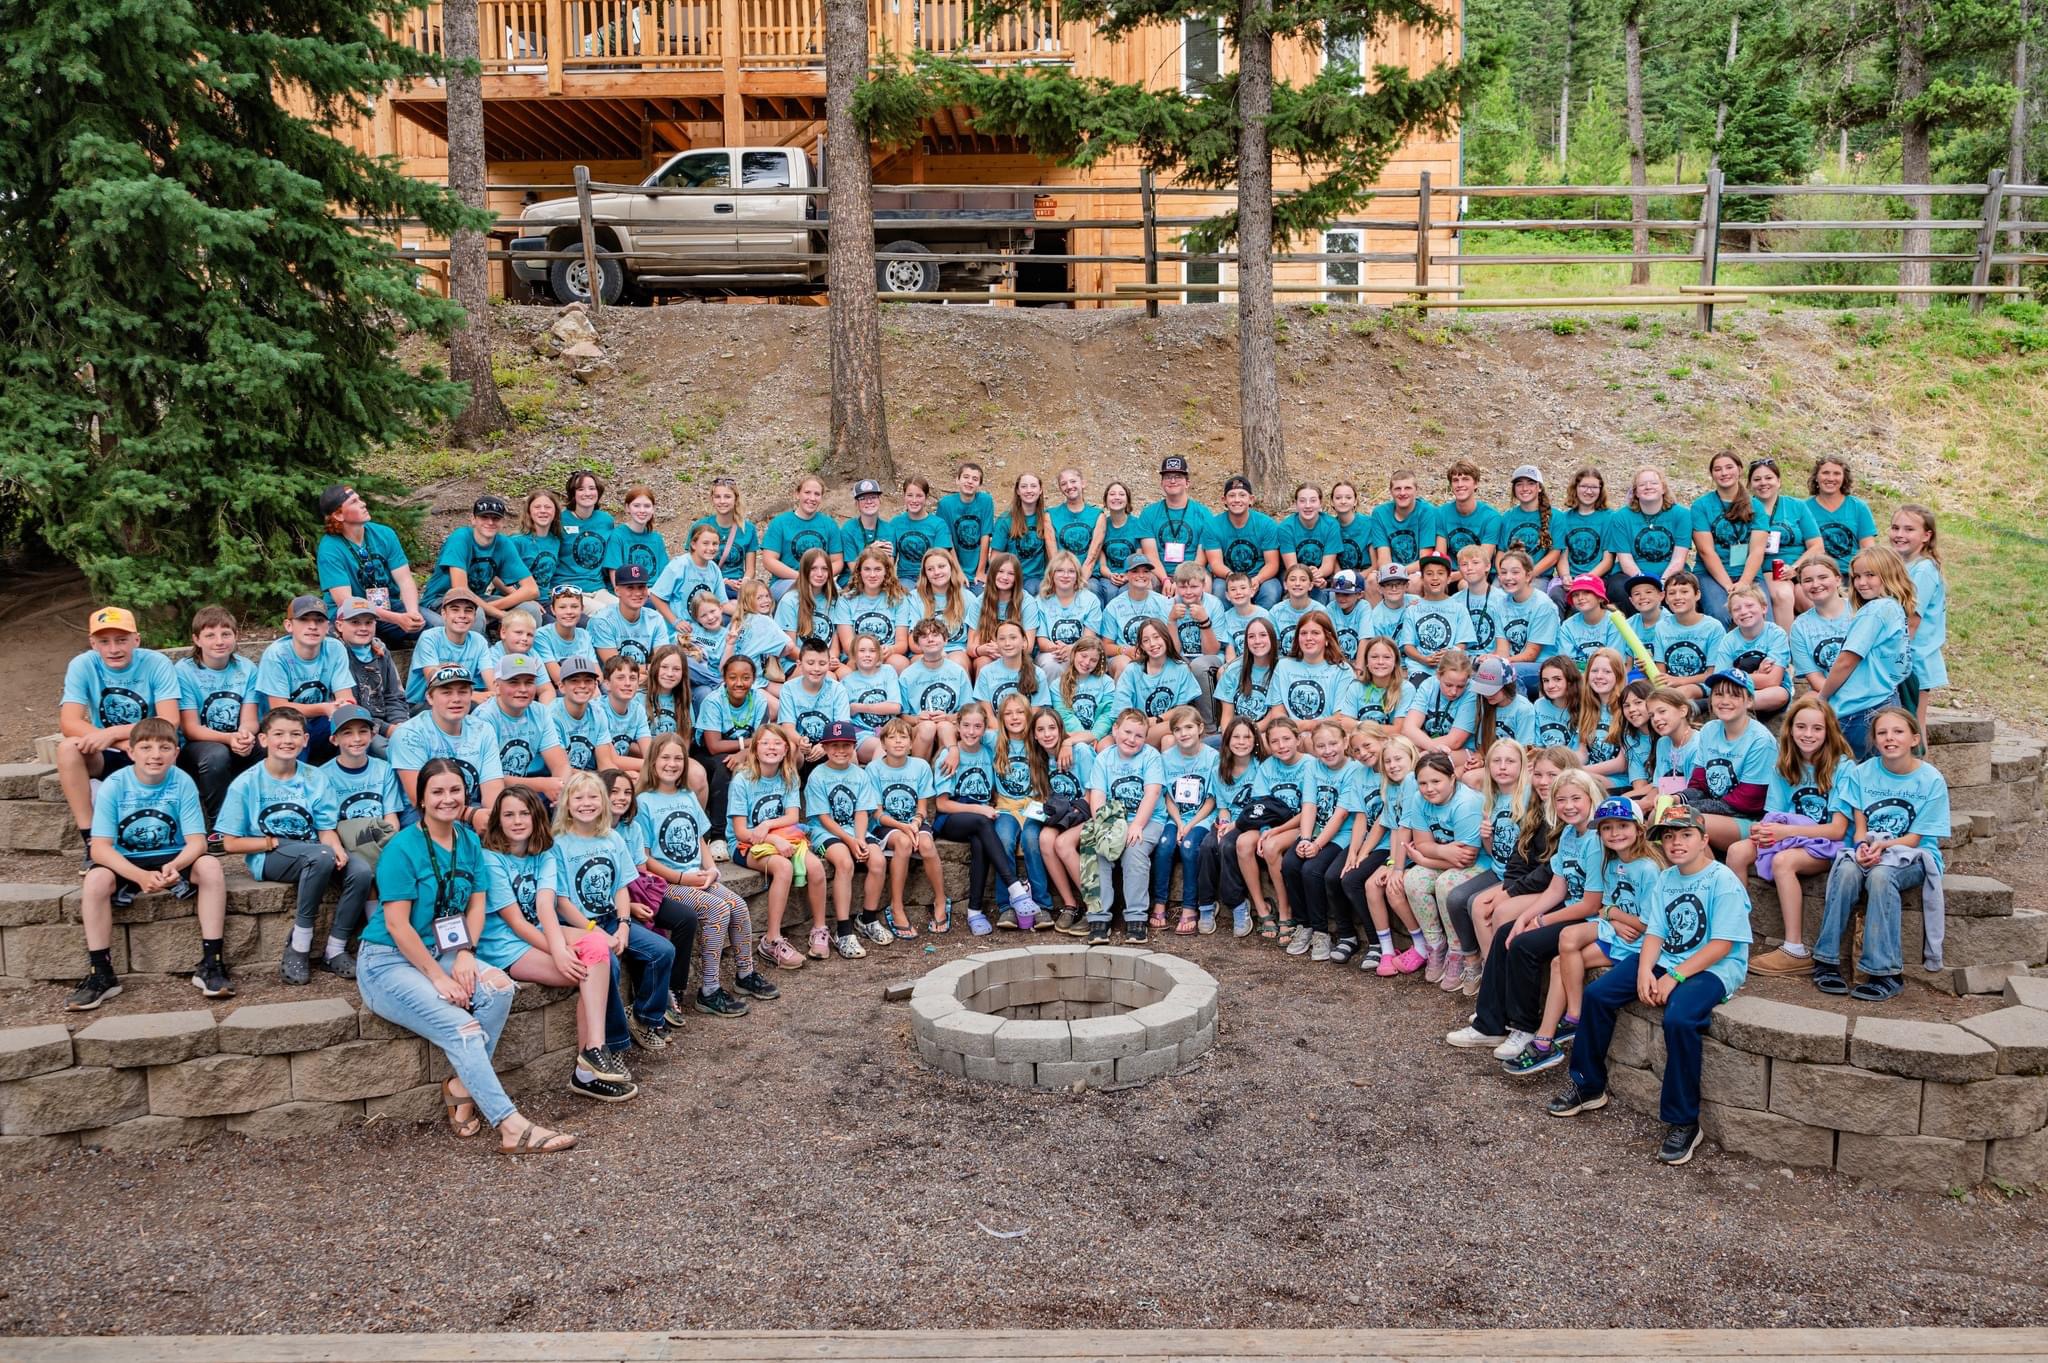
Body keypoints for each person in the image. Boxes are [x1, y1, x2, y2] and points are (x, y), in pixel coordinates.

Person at [358, 758, 577, 1153]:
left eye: (455, 790)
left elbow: (475, 906)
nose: (447, 799)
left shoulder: (469, 840)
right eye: (437, 792)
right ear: (421, 798)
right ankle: (511, 1125)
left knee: (499, 988)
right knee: (463, 1028)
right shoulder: (402, 848)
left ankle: (461, 1085)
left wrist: (465, 954)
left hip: (444, 949)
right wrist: (439, 977)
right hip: (388, 960)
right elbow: (397, 926)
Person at [1548, 803, 1752, 1168]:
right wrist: (1644, 971)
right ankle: (1588, 1085)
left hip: (1714, 967)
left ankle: (1683, 1120)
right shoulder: (1668, 878)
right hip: (1666, 957)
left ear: (1704, 839)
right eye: (1669, 836)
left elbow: (1722, 944)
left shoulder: (1722, 881)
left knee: (1679, 1018)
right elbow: (1655, 931)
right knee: (1597, 995)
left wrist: (1673, 978)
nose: (1676, 843)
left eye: (1686, 834)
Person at [476, 786, 637, 1103]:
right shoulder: (491, 859)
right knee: (586, 971)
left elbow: (545, 907)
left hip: (540, 929)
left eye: (524, 814)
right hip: (505, 946)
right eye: (509, 814)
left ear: (537, 818)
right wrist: (558, 952)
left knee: (595, 946)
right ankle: (588, 1070)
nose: (518, 821)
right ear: (498, 820)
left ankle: (593, 1051)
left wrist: (561, 948)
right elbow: (517, 924)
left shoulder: (544, 854)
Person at [67, 716, 230, 1011]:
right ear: (130, 752)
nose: (155, 755)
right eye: (146, 747)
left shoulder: (182, 781)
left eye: (164, 747)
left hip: (172, 855)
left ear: (176, 753)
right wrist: (139, 876)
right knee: (95, 880)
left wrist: (174, 865)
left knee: (210, 867)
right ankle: (101, 973)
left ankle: (212, 964)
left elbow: (198, 842)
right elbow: (100, 849)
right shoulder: (114, 784)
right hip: (126, 859)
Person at [1500, 796, 1661, 1076]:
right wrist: (1612, 914)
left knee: (1567, 941)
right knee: (1559, 960)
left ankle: (1571, 1018)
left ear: (1639, 829)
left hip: (1635, 941)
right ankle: (1544, 1041)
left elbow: (1647, 924)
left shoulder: (1648, 869)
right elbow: (1603, 907)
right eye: (1607, 828)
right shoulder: (1610, 864)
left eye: (1623, 825)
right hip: (1616, 931)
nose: (1615, 833)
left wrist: (1614, 915)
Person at [218, 706, 375, 984]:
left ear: (305, 740)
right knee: (322, 856)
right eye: (278, 734)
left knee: (361, 870)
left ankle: (335, 949)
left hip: (317, 853)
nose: (287, 741)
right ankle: (300, 944)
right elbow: (229, 843)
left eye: (294, 735)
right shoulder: (246, 784)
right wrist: (272, 841)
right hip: (269, 857)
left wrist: (338, 849)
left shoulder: (315, 778)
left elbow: (325, 829)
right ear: (264, 740)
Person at [1811, 707, 1951, 1001]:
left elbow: (1915, 839)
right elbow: (1860, 829)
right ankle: (1825, 960)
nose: (1890, 738)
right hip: (1871, 847)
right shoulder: (1863, 773)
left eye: (1898, 732)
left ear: (1914, 739)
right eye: (1882, 733)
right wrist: (1863, 847)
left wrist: (1883, 848)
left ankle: (1885, 972)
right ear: (1874, 740)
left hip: (1912, 855)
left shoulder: (1931, 780)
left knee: (1881, 876)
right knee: (1848, 870)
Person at [636, 733, 777, 1016]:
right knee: (716, 910)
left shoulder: (688, 795)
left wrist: (711, 867)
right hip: (666, 882)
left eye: (678, 758)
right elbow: (645, 859)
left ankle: (744, 974)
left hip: (696, 874)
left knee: (737, 905)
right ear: (652, 763)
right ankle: (709, 990)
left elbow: (699, 839)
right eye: (665, 757)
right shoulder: (643, 803)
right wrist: (681, 879)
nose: (672, 764)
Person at [1726, 695, 1852, 975]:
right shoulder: (1784, 766)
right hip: (1790, 838)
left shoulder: (1843, 768)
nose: (1808, 734)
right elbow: (1774, 815)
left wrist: (1785, 831)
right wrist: (1764, 829)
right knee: (1737, 851)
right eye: (1801, 727)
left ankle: (1795, 949)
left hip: (1829, 845)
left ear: (1828, 731)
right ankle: (1734, 934)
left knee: (1784, 861)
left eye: (1817, 728)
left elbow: (1838, 830)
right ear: (1790, 729)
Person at [553, 769, 677, 1050]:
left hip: (611, 920)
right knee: (610, 965)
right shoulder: (557, 844)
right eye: (579, 797)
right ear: (568, 804)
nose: (587, 803)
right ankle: (614, 1043)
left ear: (603, 802)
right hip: (580, 927)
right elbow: (561, 901)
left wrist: (622, 924)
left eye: (593, 797)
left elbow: (621, 887)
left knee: (662, 951)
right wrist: (594, 931)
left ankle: (644, 1017)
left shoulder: (611, 838)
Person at [728, 724, 826, 967]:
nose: (771, 747)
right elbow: (741, 831)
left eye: (777, 743)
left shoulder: (789, 776)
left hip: (783, 836)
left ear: (786, 750)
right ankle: (771, 940)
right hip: (744, 844)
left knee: (815, 868)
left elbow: (793, 817)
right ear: (755, 749)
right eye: (765, 743)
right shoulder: (742, 780)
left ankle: (819, 929)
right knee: (783, 868)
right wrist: (771, 838)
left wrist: (768, 826)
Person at [1815, 545, 1917, 759]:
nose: (1861, 582)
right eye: (1856, 577)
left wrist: (1822, 697)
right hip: (1884, 701)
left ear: (1889, 574)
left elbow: (1846, 661)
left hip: (1858, 710)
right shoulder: (1894, 608)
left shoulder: (1875, 611)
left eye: (1870, 575)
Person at [804, 721, 890, 954]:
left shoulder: (860, 775)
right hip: (825, 832)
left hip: (855, 829)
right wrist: (850, 842)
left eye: (845, 745)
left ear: (854, 746)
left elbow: (862, 811)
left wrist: (860, 839)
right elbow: (823, 818)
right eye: (834, 746)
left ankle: (868, 919)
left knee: (878, 860)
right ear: (824, 747)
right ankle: (843, 930)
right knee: (844, 862)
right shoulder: (817, 776)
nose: (840, 750)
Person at [391, 664, 508, 829]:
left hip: (474, 808)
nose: (456, 699)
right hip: (422, 814)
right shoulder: (409, 734)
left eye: (463, 691)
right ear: (430, 698)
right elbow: (418, 797)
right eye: (446, 692)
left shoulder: (483, 729)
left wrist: (492, 819)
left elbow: (493, 790)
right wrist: (471, 815)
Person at [1085, 708, 1166, 945]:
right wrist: (1103, 826)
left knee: (1134, 849)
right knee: (1095, 847)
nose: (1132, 739)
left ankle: (1136, 918)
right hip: (1113, 819)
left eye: (1139, 736)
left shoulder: (1150, 757)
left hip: (1147, 820)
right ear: (1115, 730)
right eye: (1127, 732)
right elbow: (1097, 795)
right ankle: (1098, 917)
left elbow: (1152, 794)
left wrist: (1137, 825)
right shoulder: (1104, 758)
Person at [175, 606, 259, 824]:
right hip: (197, 746)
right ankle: (219, 824)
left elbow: (250, 719)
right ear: (196, 639)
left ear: (235, 636)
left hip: (235, 740)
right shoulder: (184, 671)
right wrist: (229, 739)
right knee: (216, 755)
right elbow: (191, 729)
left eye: (226, 634)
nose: (219, 641)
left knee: (268, 746)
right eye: (210, 635)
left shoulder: (247, 668)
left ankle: (263, 814)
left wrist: (245, 735)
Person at [316, 483, 427, 646]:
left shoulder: (385, 534)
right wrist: (397, 619)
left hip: (388, 608)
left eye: (359, 499)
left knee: (437, 628)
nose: (363, 504)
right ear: (339, 515)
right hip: (350, 617)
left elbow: (405, 580)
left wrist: (412, 613)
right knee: (352, 641)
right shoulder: (329, 548)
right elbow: (346, 602)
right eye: (354, 502)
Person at [866, 717, 949, 937]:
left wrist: (914, 823)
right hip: (886, 825)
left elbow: (922, 807)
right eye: (892, 737)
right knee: (903, 843)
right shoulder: (874, 769)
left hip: (915, 822)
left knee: (927, 844)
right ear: (883, 744)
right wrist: (902, 827)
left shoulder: (920, 766)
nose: (898, 742)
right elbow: (877, 813)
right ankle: (897, 906)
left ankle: (941, 900)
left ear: (912, 743)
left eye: (903, 737)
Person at [257, 594, 359, 761]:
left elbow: (345, 696)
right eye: (304, 619)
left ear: (327, 626)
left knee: (350, 730)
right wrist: (325, 708)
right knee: (294, 739)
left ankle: (343, 782)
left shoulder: (335, 648)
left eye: (319, 620)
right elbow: (278, 708)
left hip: (319, 721)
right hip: (280, 724)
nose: (312, 626)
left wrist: (343, 705)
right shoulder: (276, 655)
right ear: (289, 625)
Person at [422, 494, 537, 625]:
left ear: (502, 522)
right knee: (474, 613)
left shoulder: (503, 543)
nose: (490, 522)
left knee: (530, 609)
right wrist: (501, 614)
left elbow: (531, 589)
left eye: (496, 518)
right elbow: (461, 591)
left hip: (479, 599)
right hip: (441, 600)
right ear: (473, 519)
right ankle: (481, 644)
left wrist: (492, 606)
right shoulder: (460, 538)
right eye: (484, 517)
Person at [1154, 705, 1219, 934]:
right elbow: (1168, 797)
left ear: (1200, 728)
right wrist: (1180, 823)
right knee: (1163, 846)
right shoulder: (1166, 758)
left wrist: (1189, 826)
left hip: (1202, 818)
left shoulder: (1212, 757)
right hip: (1176, 817)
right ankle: (1160, 901)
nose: (1184, 733)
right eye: (1178, 729)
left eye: (1189, 727)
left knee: (1190, 847)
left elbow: (1212, 800)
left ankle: (1190, 906)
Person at [474, 654, 572, 803]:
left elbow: (560, 763)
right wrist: (542, 784)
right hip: (485, 797)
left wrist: (560, 787)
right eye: (513, 683)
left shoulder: (540, 712)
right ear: (497, 686)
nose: (523, 689)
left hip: (525, 792)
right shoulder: (484, 717)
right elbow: (488, 778)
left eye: (529, 682)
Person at [321, 703, 405, 872]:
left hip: (381, 837)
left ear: (373, 735)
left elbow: (391, 818)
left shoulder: (384, 769)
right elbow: (327, 827)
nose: (357, 738)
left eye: (363, 731)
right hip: (349, 842)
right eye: (347, 733)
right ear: (334, 739)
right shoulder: (322, 776)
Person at [1687, 452, 1764, 626]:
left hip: (1748, 573)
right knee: (1720, 613)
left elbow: (1757, 550)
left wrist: (1744, 582)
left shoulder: (1755, 505)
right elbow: (1706, 551)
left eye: (1729, 467)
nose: (1724, 473)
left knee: (1760, 611)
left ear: (1740, 470)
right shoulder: (1701, 506)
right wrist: (1730, 586)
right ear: (1712, 474)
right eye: (1718, 469)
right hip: (1710, 574)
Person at [1746, 457, 1823, 631]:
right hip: (1766, 568)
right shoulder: (1744, 509)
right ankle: (1785, 649)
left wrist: (1795, 568)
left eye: (1769, 478)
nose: (1763, 483)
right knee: (1783, 594)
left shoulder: (1796, 506)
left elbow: (1817, 545)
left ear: (1779, 481)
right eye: (1757, 479)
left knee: (1809, 599)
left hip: (1799, 567)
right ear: (1749, 485)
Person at [1888, 504, 1946, 728]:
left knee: (1913, 725)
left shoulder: (1923, 570)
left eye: (1909, 529)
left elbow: (1911, 621)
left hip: (1913, 659)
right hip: (1899, 658)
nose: (1900, 535)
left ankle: (1919, 764)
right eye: (1895, 528)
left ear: (1926, 535)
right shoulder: (1899, 565)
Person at [1603, 467, 1691, 604]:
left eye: (1654, 483)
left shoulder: (1681, 514)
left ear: (1663, 488)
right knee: (1618, 588)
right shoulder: (1620, 517)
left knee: (1681, 589)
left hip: (1671, 573)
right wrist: (1644, 582)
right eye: (1642, 484)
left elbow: (1679, 559)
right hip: (1631, 574)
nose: (1648, 487)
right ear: (1635, 492)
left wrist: (1662, 582)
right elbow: (1625, 560)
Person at [335, 599, 412, 755]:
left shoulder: (381, 652)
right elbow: (350, 709)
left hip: (388, 721)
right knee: (385, 750)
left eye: (369, 622)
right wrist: (387, 729)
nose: (363, 628)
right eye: (355, 622)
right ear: (339, 625)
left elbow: (394, 695)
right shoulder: (337, 655)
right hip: (358, 726)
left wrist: (399, 723)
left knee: (411, 738)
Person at [402, 588, 486, 710]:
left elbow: (490, 677)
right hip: (422, 702)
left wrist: (494, 695)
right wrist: (472, 695)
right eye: (455, 610)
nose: (462, 615)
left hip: (460, 700)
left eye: (468, 611)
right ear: (444, 614)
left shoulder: (479, 640)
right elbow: (434, 680)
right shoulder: (429, 637)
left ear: (474, 615)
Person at [1205, 474, 1283, 606]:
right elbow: (1215, 563)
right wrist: (1231, 578)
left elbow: (1272, 564)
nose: (1237, 500)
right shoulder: (1213, 525)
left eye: (1242, 495)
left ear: (1251, 499)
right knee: (1219, 590)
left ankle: (1263, 624)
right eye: (1232, 495)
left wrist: (1257, 580)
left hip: (1260, 575)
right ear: (1224, 500)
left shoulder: (1266, 524)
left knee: (1271, 591)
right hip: (1228, 576)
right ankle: (1227, 625)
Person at [1137, 455, 1213, 585]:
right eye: (1167, 477)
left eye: (1178, 477)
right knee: (1145, 582)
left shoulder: (1203, 514)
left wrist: (1186, 581)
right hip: (1158, 572)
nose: (1172, 481)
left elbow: (1202, 557)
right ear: (1161, 483)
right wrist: (1165, 579)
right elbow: (1151, 555)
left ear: (1187, 483)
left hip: (1193, 571)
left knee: (1205, 582)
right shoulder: (1148, 513)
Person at [761, 476, 838, 600]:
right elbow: (769, 561)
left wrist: (820, 577)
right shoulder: (780, 523)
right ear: (797, 494)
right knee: (802, 594)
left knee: (838, 594)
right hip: (786, 580)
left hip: (821, 579)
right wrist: (802, 577)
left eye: (817, 494)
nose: (812, 498)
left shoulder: (829, 524)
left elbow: (837, 561)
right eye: (807, 493)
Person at [1807, 455, 1879, 577]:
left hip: (1852, 574)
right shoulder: (1804, 508)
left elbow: (1868, 549)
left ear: (1844, 478)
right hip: (1818, 575)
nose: (1831, 478)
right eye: (1825, 473)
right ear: (1816, 477)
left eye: (1836, 474)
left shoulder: (1858, 507)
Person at [590, 564, 672, 670]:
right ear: (617, 591)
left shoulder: (655, 618)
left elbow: (662, 663)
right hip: (612, 682)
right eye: (630, 587)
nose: (637, 593)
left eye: (641, 587)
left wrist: (650, 674)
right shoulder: (602, 621)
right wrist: (649, 670)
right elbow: (615, 667)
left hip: (648, 680)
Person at [692, 476, 760, 600]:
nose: (722, 501)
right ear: (712, 499)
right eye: (718, 497)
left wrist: (745, 581)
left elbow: (750, 569)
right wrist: (723, 581)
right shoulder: (700, 526)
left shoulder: (748, 529)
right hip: (708, 584)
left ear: (736, 499)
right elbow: (693, 566)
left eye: (727, 497)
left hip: (737, 586)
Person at [556, 470, 617, 607]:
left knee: (624, 611)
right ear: (573, 494)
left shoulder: (606, 520)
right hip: (568, 588)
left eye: (592, 488)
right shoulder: (559, 520)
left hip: (598, 588)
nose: (587, 493)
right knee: (604, 613)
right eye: (581, 489)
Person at [1554, 467, 1613, 607]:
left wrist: (1586, 579)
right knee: (1555, 596)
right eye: (1584, 486)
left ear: (1600, 490)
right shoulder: (1564, 518)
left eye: (1594, 487)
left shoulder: (1609, 517)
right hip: (1571, 578)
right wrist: (1565, 576)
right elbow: (1563, 555)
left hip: (1596, 576)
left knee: (1584, 600)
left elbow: (1608, 560)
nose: (1588, 491)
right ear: (1576, 488)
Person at [1496, 465, 1560, 591]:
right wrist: (1503, 574)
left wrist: (1528, 575)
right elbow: (1501, 552)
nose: (1525, 488)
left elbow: (1554, 554)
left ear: (1539, 488)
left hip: (1538, 576)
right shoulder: (1507, 517)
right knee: (1493, 599)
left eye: (1531, 483)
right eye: (1519, 484)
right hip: (1508, 575)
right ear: (1514, 489)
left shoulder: (1556, 516)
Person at [989, 473, 1053, 592]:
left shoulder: (1047, 519)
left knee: (1031, 589)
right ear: (1017, 491)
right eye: (1024, 486)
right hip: (1011, 577)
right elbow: (995, 557)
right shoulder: (1005, 520)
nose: (1029, 490)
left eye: (1033, 486)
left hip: (1036, 578)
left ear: (1040, 490)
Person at [887, 477, 956, 586]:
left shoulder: (938, 524)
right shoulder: (895, 523)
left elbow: (941, 558)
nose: (914, 500)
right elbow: (890, 558)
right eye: (910, 495)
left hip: (932, 575)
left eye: (919, 496)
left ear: (926, 498)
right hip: (906, 576)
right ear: (904, 496)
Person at [1431, 461, 1500, 568]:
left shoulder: (1491, 517)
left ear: (1476, 483)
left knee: (1465, 583)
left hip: (1478, 574)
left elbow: (1482, 563)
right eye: (1455, 480)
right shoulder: (1441, 513)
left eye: (1465, 479)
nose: (1460, 485)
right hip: (1449, 572)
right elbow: (1441, 556)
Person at [938, 462, 996, 583]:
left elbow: (985, 536)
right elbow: (947, 541)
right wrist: (958, 572)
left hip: (978, 568)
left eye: (975, 479)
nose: (970, 481)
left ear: (979, 484)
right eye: (966, 477)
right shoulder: (945, 504)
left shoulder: (986, 501)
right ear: (957, 480)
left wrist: (980, 572)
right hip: (954, 567)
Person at [1370, 468, 1435, 575]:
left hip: (1418, 571)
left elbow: (1425, 558)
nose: (1402, 493)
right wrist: (1392, 576)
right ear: (1391, 491)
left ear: (1416, 490)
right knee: (1372, 581)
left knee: (1414, 582)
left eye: (1408, 488)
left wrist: (1399, 573)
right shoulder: (1380, 513)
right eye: (1397, 489)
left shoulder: (1427, 512)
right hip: (1390, 571)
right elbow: (1383, 558)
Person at [1277, 482, 1340, 593]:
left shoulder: (1331, 524)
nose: (1307, 505)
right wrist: (1309, 577)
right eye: (1302, 501)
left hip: (1319, 574)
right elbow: (1292, 566)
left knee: (1319, 593)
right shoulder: (1286, 527)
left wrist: (1318, 575)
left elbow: (1328, 564)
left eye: (1313, 500)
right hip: (1293, 574)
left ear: (1320, 503)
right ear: (1295, 503)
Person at [511, 490, 564, 605]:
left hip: (546, 599)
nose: (543, 511)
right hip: (519, 600)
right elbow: (500, 578)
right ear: (529, 512)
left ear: (555, 512)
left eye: (548, 507)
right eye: (537, 507)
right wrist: (525, 599)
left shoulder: (555, 541)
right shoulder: (517, 541)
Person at [837, 478, 891, 570]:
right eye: (863, 498)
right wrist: (870, 550)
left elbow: (889, 567)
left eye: (873, 497)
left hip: (880, 579)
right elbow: (854, 569)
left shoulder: (889, 529)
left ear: (880, 500)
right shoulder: (848, 529)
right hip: (852, 580)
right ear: (856, 503)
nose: (869, 501)